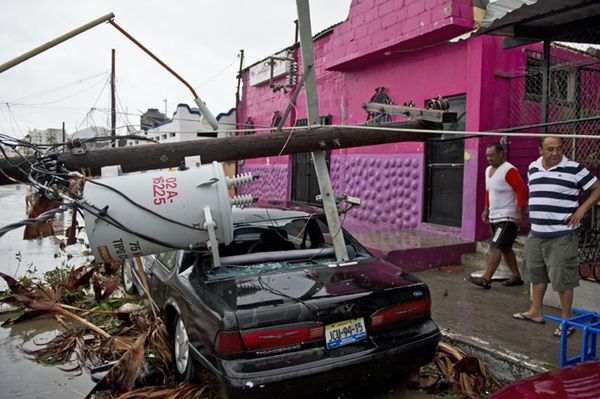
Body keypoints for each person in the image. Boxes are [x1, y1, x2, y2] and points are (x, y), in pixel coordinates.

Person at [513, 136, 600, 337]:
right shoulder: (533, 167)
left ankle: (567, 321)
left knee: (563, 279)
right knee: (536, 274)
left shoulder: (574, 168)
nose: (555, 153)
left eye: (559, 149)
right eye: (550, 149)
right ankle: (536, 311)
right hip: (536, 233)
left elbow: (597, 188)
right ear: (540, 150)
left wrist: (581, 210)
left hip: (562, 235)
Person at [467, 142, 527, 289]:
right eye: (487, 155)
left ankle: (486, 278)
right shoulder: (488, 170)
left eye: (492, 155)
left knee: (496, 246)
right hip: (494, 215)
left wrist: (519, 212)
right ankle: (516, 276)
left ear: (501, 154)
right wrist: (486, 209)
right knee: (505, 247)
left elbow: (522, 191)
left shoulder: (509, 170)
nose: (489, 158)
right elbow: (489, 191)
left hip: (507, 217)